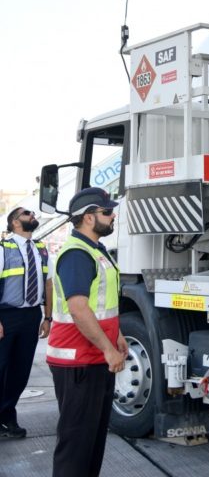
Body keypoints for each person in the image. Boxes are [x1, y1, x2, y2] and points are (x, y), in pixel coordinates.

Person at [47, 187, 128, 477]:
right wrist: (108, 348)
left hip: (92, 360)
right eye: (107, 212)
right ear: (89, 218)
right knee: (76, 448)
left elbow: (100, 302)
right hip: (78, 362)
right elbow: (79, 307)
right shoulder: (77, 254)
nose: (112, 215)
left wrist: (115, 337)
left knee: (90, 446)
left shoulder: (94, 250)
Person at [0, 206, 52, 438]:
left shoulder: (41, 249)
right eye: (27, 214)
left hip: (31, 316)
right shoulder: (3, 249)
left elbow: (48, 284)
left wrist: (47, 316)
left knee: (20, 372)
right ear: (14, 222)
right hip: (6, 316)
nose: (33, 216)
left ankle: (7, 418)